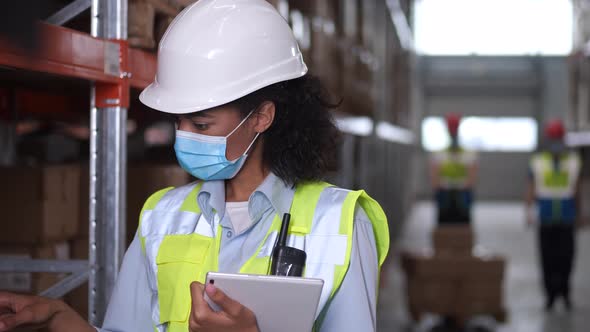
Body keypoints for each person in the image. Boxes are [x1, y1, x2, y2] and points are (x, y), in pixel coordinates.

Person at [0, 1, 390, 331]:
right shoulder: (162, 216)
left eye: (201, 124)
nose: (184, 137)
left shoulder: (338, 224)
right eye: (178, 121)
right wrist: (61, 319)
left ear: (262, 117)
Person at [526, 119, 582, 311]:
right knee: (547, 258)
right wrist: (528, 211)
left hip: (567, 217)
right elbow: (531, 188)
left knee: (566, 257)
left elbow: (577, 189)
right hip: (546, 216)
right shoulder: (538, 162)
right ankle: (550, 296)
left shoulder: (573, 161)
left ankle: (565, 294)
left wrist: (580, 214)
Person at [430, 113, 477, 224]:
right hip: (445, 193)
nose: (453, 132)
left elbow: (471, 179)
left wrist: (458, 186)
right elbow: (435, 179)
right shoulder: (440, 154)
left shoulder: (468, 155)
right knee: (444, 206)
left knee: (463, 203)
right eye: (451, 129)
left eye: (454, 128)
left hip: (462, 194)